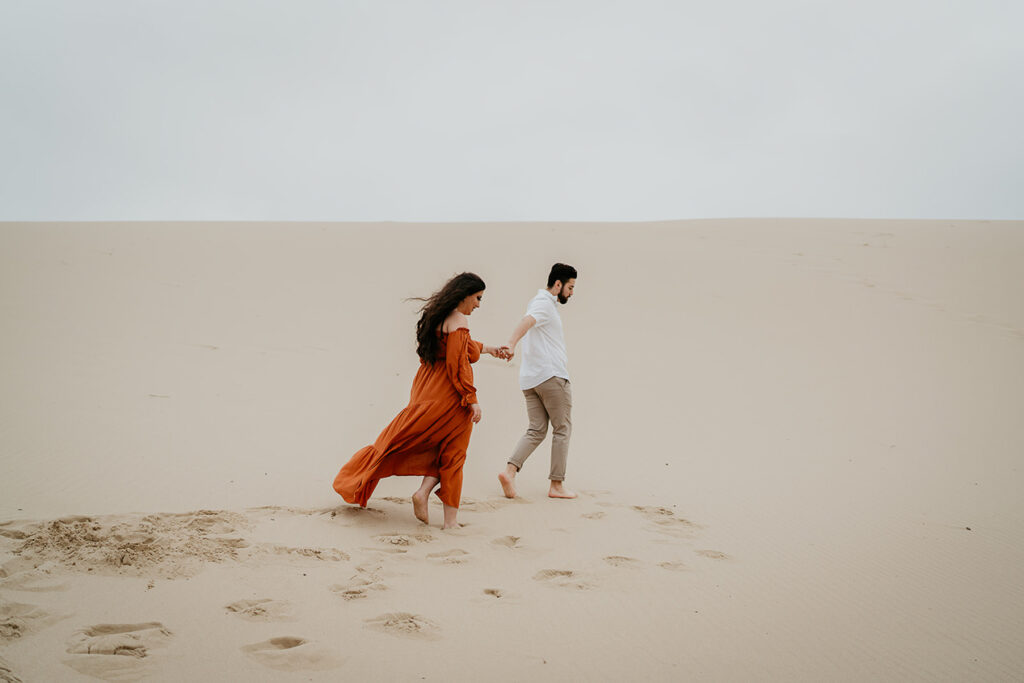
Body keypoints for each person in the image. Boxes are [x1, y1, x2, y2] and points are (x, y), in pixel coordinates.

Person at [333, 272, 509, 529]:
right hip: (450, 394)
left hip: (427, 388)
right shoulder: (459, 320)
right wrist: (471, 400)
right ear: (465, 295)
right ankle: (450, 523)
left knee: (429, 445)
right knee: (454, 454)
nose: (479, 305)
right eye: (478, 298)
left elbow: (458, 347)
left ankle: (422, 494)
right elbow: (457, 364)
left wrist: (488, 348)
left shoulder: (438, 317)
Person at [497, 263, 578, 500]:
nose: (572, 293)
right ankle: (557, 485)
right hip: (551, 376)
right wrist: (511, 343)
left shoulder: (540, 302)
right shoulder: (543, 304)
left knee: (536, 429)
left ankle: (509, 472)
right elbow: (527, 322)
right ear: (558, 284)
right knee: (562, 429)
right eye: (570, 287)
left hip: (530, 379)